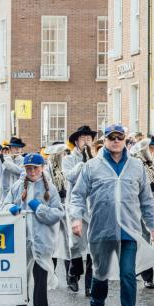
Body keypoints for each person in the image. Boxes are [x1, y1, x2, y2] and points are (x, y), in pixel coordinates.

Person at [69, 124, 154, 306]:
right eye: (111, 137)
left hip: (129, 230)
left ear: (124, 140)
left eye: (119, 137)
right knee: (101, 272)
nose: (115, 141)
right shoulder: (92, 166)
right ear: (104, 140)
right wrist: (76, 218)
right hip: (101, 229)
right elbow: (77, 195)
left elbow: (147, 200)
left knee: (128, 274)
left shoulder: (137, 166)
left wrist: (153, 227)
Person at [4, 153, 64, 306]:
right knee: (22, 272)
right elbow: (5, 205)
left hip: (42, 240)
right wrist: (11, 208)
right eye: (28, 168)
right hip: (21, 239)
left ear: (42, 168)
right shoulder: (17, 187)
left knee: (40, 275)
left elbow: (58, 213)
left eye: (35, 168)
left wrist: (39, 209)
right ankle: (21, 300)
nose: (32, 172)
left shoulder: (49, 189)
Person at [62, 125, 96, 294]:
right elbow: (70, 177)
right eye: (83, 138)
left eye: (89, 139)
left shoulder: (96, 158)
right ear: (76, 141)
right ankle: (73, 273)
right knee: (75, 243)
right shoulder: (68, 159)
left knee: (92, 245)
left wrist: (91, 158)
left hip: (92, 207)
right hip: (75, 206)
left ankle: (90, 284)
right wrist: (83, 162)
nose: (86, 141)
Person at [135, 135, 154, 289]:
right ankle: (147, 277)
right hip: (142, 206)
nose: (153, 151)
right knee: (145, 241)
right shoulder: (138, 162)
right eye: (150, 148)